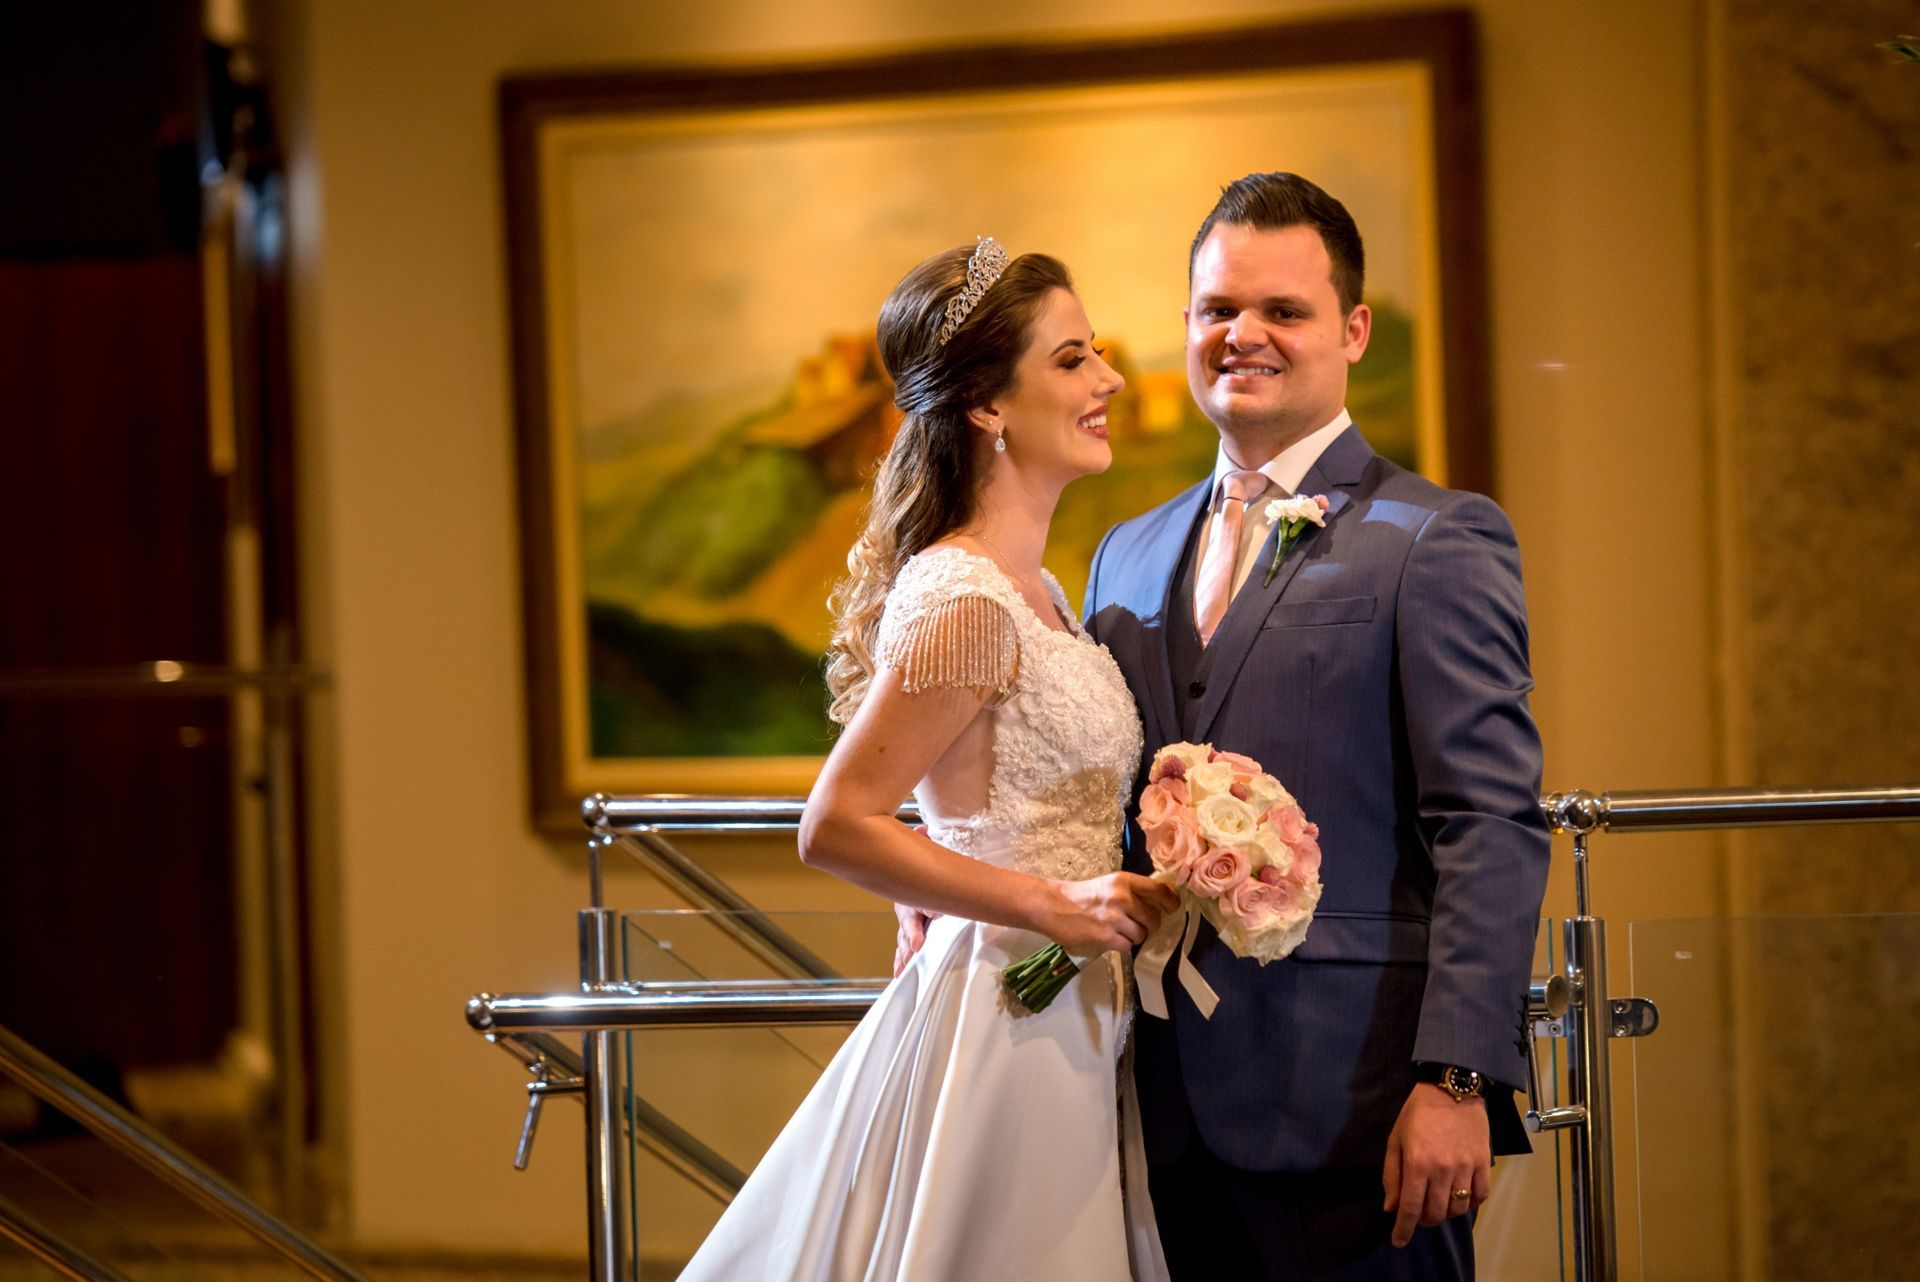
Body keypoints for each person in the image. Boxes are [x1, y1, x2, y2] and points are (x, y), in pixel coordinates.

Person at [678, 239, 1179, 1281]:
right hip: (1007, 1012)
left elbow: (970, 792)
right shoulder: (967, 597)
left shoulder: (1039, 591)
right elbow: (836, 821)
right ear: (990, 407)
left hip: (1069, 1002)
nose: (1110, 380)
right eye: (1074, 359)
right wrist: (1046, 902)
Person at [1081, 173, 1552, 1279]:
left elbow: (1488, 818)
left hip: (1362, 1107)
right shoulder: (1124, 552)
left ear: (1352, 330)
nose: (1242, 334)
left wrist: (1458, 1079)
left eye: (1282, 311)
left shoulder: (1435, 538)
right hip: (1157, 1108)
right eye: (1216, 310)